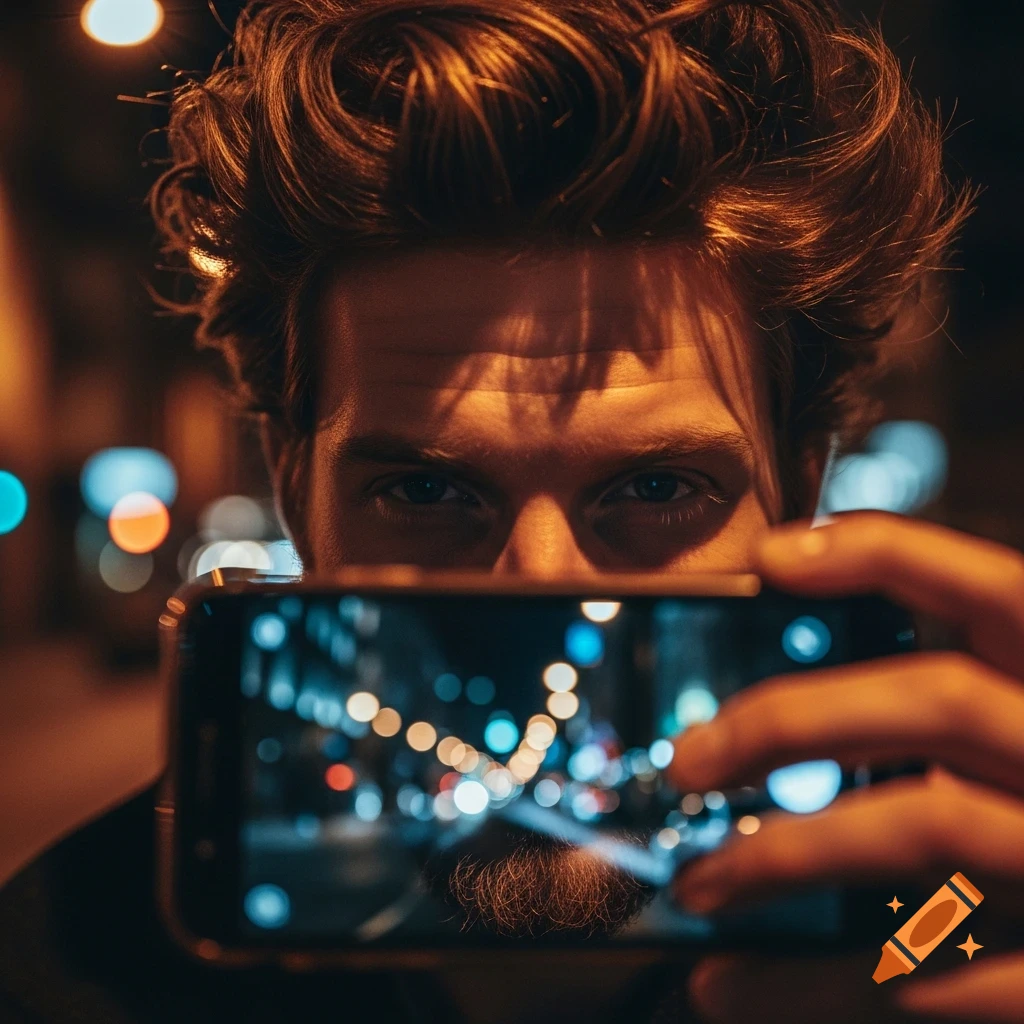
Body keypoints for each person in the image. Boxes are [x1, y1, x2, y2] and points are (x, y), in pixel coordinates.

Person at [1, 0, 1022, 1021]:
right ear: (295, 491)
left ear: (798, 492)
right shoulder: (55, 974)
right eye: (424, 490)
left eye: (658, 489)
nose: (537, 584)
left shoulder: (951, 912)